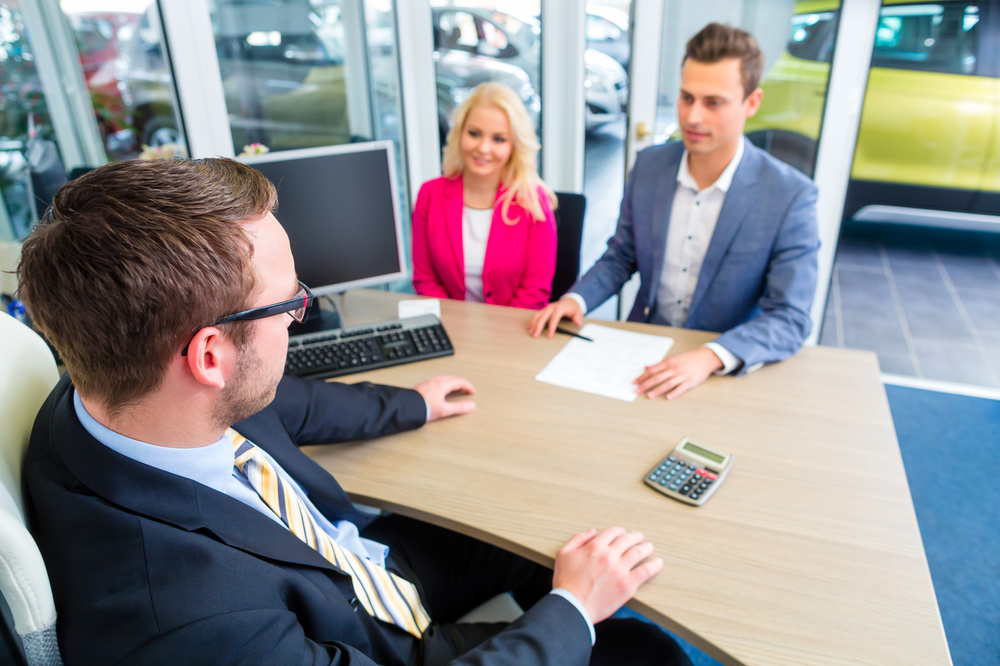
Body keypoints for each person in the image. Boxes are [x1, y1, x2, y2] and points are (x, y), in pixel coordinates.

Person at [17, 157, 691, 665]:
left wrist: (412, 404)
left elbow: (291, 402)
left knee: (534, 525)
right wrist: (571, 612)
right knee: (636, 649)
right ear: (211, 356)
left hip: (356, 562)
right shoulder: (188, 623)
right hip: (383, 640)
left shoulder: (114, 388)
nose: (302, 312)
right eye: (289, 304)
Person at [529, 23, 820, 400]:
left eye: (713, 102)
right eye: (686, 98)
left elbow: (790, 317)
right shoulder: (650, 166)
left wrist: (710, 356)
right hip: (640, 355)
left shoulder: (790, 195)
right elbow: (622, 256)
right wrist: (576, 299)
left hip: (723, 366)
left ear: (752, 102)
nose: (693, 117)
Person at [412, 82, 557, 310]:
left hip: (512, 331)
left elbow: (535, 291)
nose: (483, 148)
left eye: (498, 139)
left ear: (514, 145)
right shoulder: (429, 195)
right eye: (474, 133)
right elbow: (425, 279)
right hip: (450, 327)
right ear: (460, 133)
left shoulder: (533, 202)